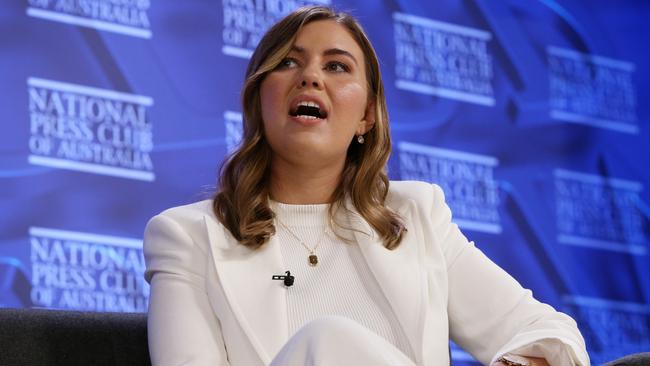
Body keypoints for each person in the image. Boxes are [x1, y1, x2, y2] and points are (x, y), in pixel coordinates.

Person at [143, 6, 590, 366]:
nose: (311, 77)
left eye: (337, 66)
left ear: (366, 117)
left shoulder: (418, 215)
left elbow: (548, 332)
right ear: (259, 101)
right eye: (288, 63)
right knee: (328, 338)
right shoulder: (186, 237)